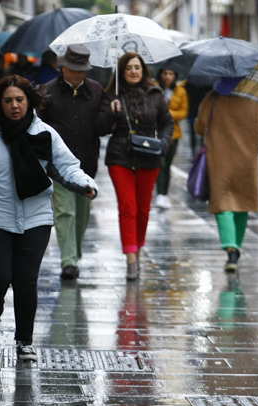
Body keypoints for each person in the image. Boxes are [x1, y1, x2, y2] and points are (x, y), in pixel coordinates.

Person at [0, 75, 98, 361]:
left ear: (28, 101)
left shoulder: (43, 133)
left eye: (19, 100)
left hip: (35, 219)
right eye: (8, 101)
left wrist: (85, 183)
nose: (14, 106)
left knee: (25, 281)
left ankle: (25, 342)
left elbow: (67, 165)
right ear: (0, 103)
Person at [96, 52, 174, 280]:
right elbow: (99, 128)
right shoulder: (112, 96)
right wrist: (112, 112)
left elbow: (167, 122)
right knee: (128, 207)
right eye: (129, 68)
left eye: (137, 67)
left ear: (143, 71)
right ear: (122, 71)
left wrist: (164, 145)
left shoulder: (155, 95)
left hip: (149, 158)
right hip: (120, 158)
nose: (133, 71)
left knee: (143, 210)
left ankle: (137, 248)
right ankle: (131, 259)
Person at [37, 44, 110, 280]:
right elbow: (38, 127)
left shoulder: (97, 91)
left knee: (82, 213)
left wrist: (112, 112)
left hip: (86, 164)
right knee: (65, 211)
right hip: (58, 167)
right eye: (73, 69)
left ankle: (74, 255)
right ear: (63, 66)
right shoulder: (47, 91)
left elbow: (101, 128)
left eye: (82, 70)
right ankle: (68, 261)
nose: (78, 74)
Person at [193, 76, 258, 272]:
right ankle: (235, 247)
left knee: (223, 206)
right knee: (242, 205)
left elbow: (199, 128)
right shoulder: (254, 101)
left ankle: (231, 249)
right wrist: (254, 144)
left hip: (218, 161)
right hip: (246, 163)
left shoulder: (211, 99)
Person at [154, 68, 188, 209]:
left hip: (173, 134)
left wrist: (168, 113)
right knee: (159, 164)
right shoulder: (154, 89)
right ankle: (159, 194)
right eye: (165, 73)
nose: (167, 77)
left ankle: (165, 194)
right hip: (156, 133)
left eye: (171, 74)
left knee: (167, 165)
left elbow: (183, 112)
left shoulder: (180, 91)